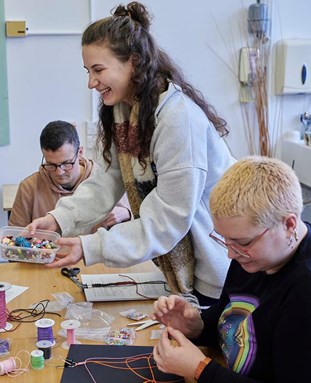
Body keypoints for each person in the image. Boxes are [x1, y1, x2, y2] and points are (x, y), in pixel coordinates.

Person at [28, 2, 235, 306]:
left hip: (213, 270)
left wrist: (91, 247)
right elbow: (106, 181)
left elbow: (168, 221)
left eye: (98, 70)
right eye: (88, 71)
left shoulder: (177, 119)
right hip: (179, 268)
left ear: (133, 63)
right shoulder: (123, 111)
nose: (90, 82)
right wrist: (59, 220)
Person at [152, 156, 311, 382]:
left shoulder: (303, 292)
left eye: (243, 243)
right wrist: (197, 325)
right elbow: (232, 315)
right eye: (225, 240)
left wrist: (201, 370)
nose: (231, 254)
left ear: (289, 225)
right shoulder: (252, 256)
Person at [9, 120, 131, 228]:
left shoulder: (105, 179)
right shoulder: (29, 187)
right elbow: (15, 239)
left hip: (92, 253)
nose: (59, 172)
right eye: (51, 165)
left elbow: (140, 223)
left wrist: (127, 213)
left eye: (66, 164)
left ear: (80, 152)